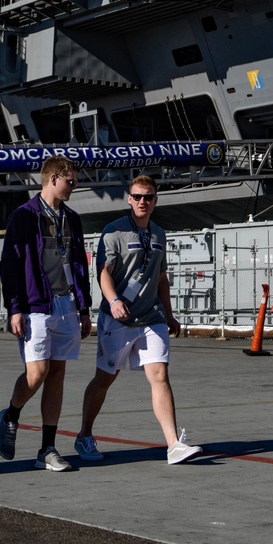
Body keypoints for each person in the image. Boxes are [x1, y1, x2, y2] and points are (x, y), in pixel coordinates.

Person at [74, 174, 201, 466]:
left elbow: (161, 278)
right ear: (129, 199)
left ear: (155, 200)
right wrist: (114, 300)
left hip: (150, 317)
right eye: (138, 196)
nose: (143, 201)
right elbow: (103, 272)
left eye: (148, 197)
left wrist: (168, 314)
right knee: (105, 379)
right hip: (117, 318)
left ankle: (173, 445)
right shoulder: (113, 232)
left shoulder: (159, 234)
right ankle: (85, 434)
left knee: (159, 376)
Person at [0, 157, 91, 470]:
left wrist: (85, 307)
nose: (73, 187)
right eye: (70, 182)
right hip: (36, 306)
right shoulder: (24, 216)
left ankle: (47, 449)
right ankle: (11, 413)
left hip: (66, 305)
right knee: (37, 374)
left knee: (58, 374)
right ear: (53, 179)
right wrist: (15, 308)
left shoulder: (71, 219)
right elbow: (10, 264)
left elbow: (79, 264)